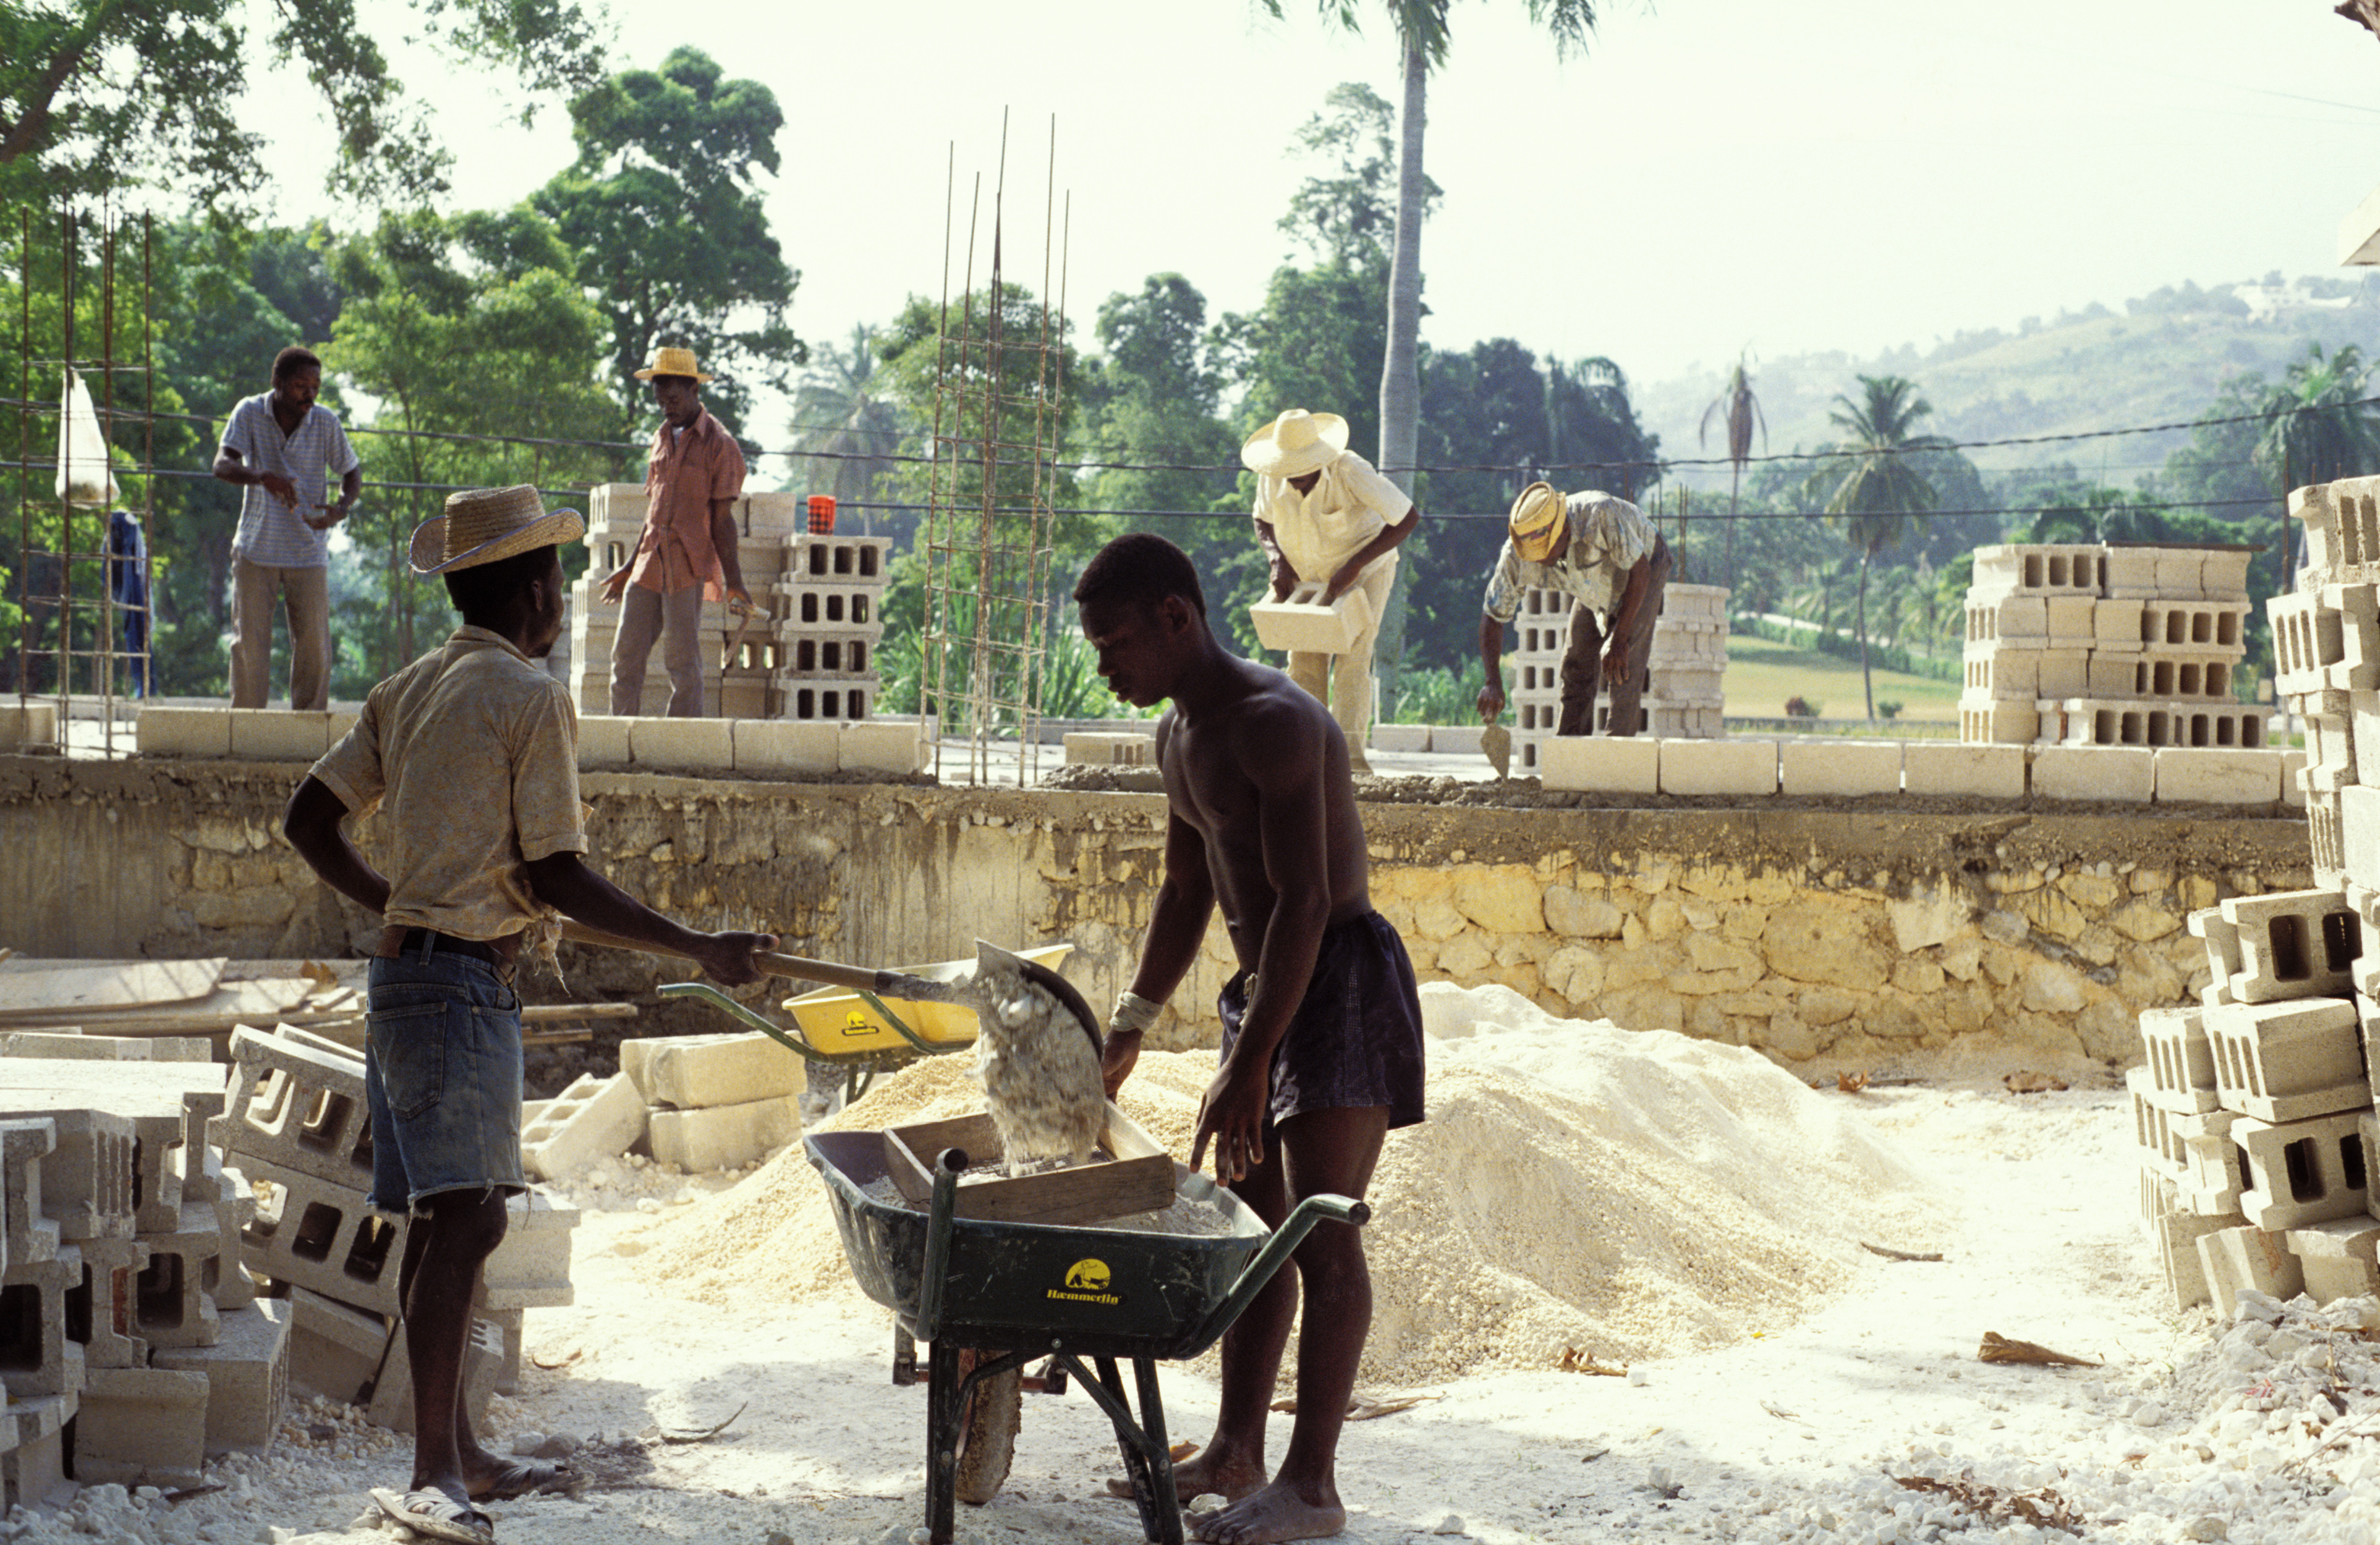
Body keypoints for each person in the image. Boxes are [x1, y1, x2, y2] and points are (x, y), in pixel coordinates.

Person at [283, 483, 777, 1544]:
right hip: (459, 983)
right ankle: (433, 1475)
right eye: (553, 573)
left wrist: (394, 903)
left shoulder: (408, 689)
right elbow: (555, 872)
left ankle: (456, 1457)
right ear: (534, 592)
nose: (560, 592)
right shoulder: (529, 695)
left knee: (457, 1216)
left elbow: (307, 818)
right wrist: (698, 947)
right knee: (466, 1221)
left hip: (415, 980)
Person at [1076, 532, 1425, 1545]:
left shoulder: (1274, 723)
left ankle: (1312, 1486)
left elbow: (1308, 902)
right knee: (1260, 1236)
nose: (1104, 670)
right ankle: (1237, 1450)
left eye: (1116, 647)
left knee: (1322, 1228)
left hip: (1338, 979)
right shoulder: (1178, 737)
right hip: (1265, 992)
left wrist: (1251, 1060)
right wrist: (1131, 1025)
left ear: (1177, 619)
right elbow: (1188, 889)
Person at [1241, 409, 1419, 776]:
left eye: (1302, 472)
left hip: (1365, 570)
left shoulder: (1350, 470)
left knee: (1353, 657)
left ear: (1319, 458)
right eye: (1289, 472)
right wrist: (1276, 559)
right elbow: (1262, 519)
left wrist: (1355, 565)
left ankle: (1349, 761)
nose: (1296, 480)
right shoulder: (1272, 477)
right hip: (1306, 575)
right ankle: (1307, 754)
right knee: (1303, 662)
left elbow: (1407, 517)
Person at [599, 346, 749, 716]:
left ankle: (681, 744)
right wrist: (628, 567)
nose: (667, 407)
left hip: (686, 565)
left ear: (695, 391)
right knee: (626, 654)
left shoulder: (720, 444)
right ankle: (621, 738)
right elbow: (653, 515)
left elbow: (722, 523)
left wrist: (735, 582)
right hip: (649, 562)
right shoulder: (661, 438)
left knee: (682, 660)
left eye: (674, 398)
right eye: (660, 400)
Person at [213, 345, 362, 710]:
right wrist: (262, 476)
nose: (309, 394)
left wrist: (339, 509)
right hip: (255, 549)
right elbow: (222, 465)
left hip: (307, 550)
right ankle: (248, 731)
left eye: (316, 386)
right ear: (277, 383)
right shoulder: (249, 412)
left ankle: (308, 733)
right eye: (300, 385)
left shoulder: (325, 421)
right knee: (249, 645)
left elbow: (352, 472)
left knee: (314, 647)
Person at [1474, 481, 1672, 738]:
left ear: (1565, 530)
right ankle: (1570, 755)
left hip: (1643, 566)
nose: (1541, 561)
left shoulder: (1600, 513)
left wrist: (1619, 638)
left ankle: (1618, 765)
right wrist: (1493, 683)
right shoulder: (1517, 553)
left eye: (1546, 552)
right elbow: (1493, 618)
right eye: (1533, 555)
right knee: (1575, 663)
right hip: (1591, 585)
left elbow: (1640, 571)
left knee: (1623, 667)